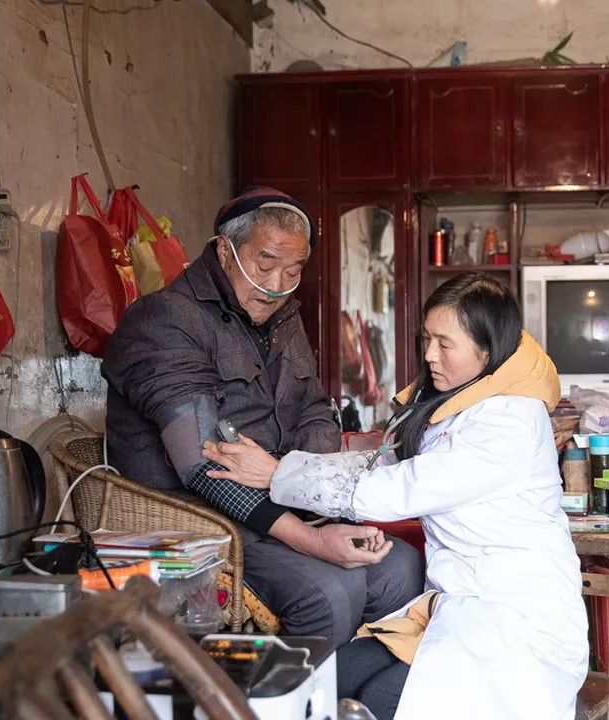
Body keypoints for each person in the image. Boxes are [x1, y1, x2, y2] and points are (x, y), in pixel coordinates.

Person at [202, 273, 589, 720]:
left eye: (446, 344)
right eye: (427, 338)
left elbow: (399, 489)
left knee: (380, 702)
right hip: (458, 605)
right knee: (330, 682)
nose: (429, 355)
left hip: (514, 620)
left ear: (488, 349)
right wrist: (285, 467)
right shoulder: (463, 398)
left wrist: (276, 474)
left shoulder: (509, 421)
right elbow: (382, 466)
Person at [102, 187, 423, 647]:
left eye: (292, 271)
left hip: (282, 504)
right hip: (204, 521)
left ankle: (350, 701)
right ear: (224, 252)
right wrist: (312, 540)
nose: (276, 285)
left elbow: (314, 408)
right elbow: (204, 465)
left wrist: (304, 487)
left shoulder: (284, 316)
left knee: (401, 567)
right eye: (265, 265)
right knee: (330, 593)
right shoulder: (164, 321)